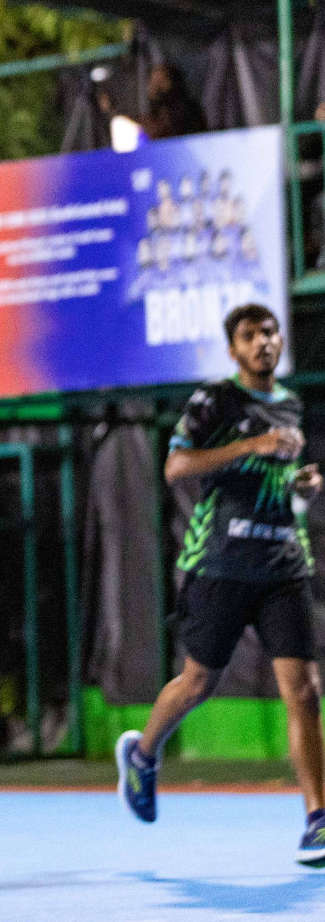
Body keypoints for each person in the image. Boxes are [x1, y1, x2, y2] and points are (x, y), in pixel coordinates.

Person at [117, 305, 325, 866]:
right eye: (250, 335)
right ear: (234, 350)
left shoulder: (290, 404)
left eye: (270, 332)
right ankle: (142, 754)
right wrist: (249, 447)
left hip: (283, 564)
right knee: (198, 680)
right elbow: (177, 466)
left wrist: (301, 484)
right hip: (221, 565)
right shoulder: (216, 400)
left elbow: (282, 487)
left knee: (304, 690)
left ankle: (317, 820)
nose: (264, 342)